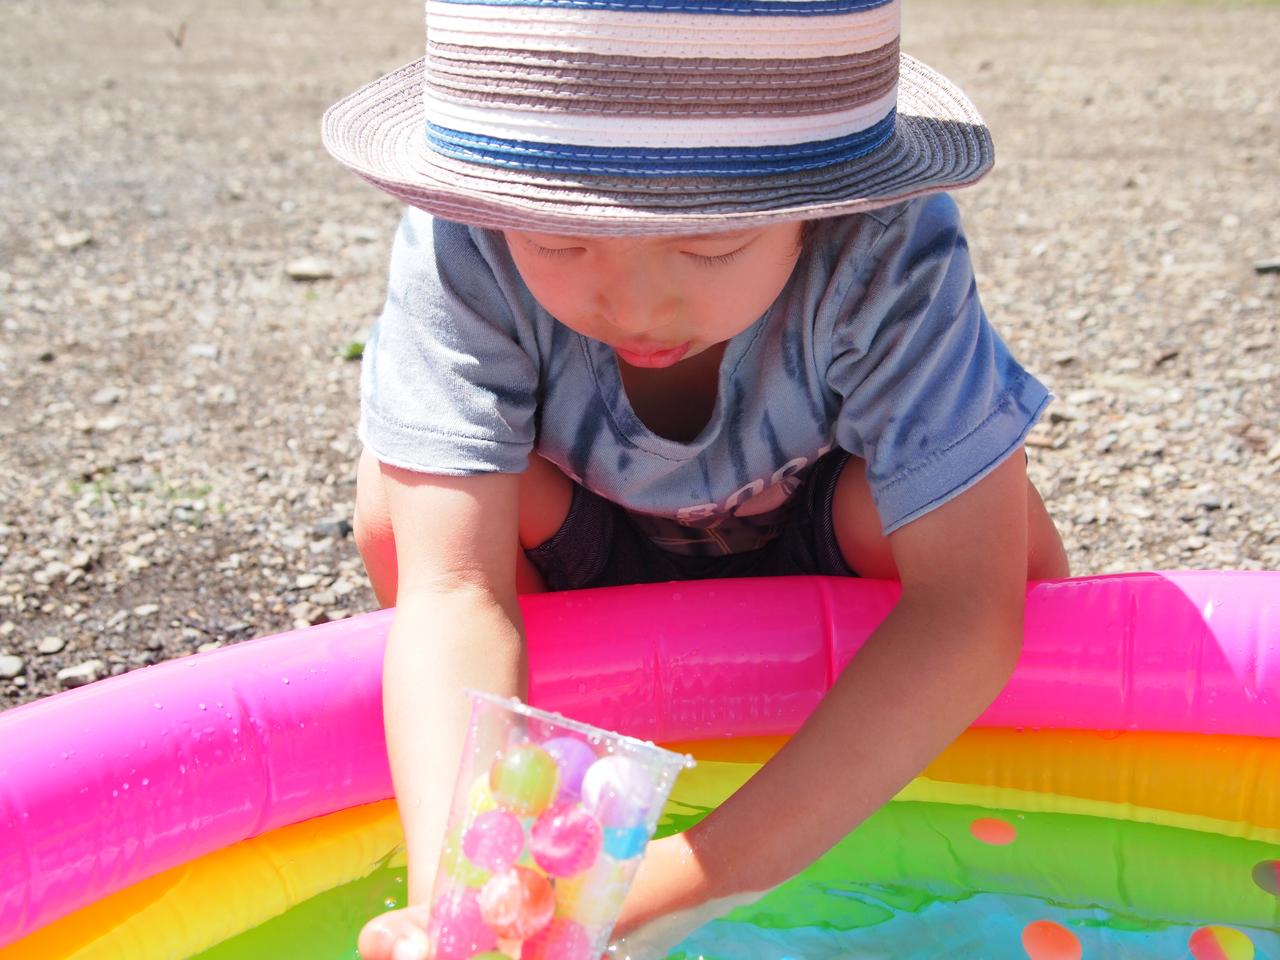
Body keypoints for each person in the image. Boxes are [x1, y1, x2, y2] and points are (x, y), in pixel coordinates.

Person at [322, 0, 1069, 956]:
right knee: (402, 514)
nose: (635, 304)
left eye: (711, 246)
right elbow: (454, 591)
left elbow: (967, 607)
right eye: (560, 241)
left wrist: (690, 876)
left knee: (1008, 555)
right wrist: (459, 899)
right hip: (583, 550)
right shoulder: (470, 235)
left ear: (827, 205)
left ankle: (860, 756)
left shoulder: (880, 249)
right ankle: (578, 730)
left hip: (817, 547)